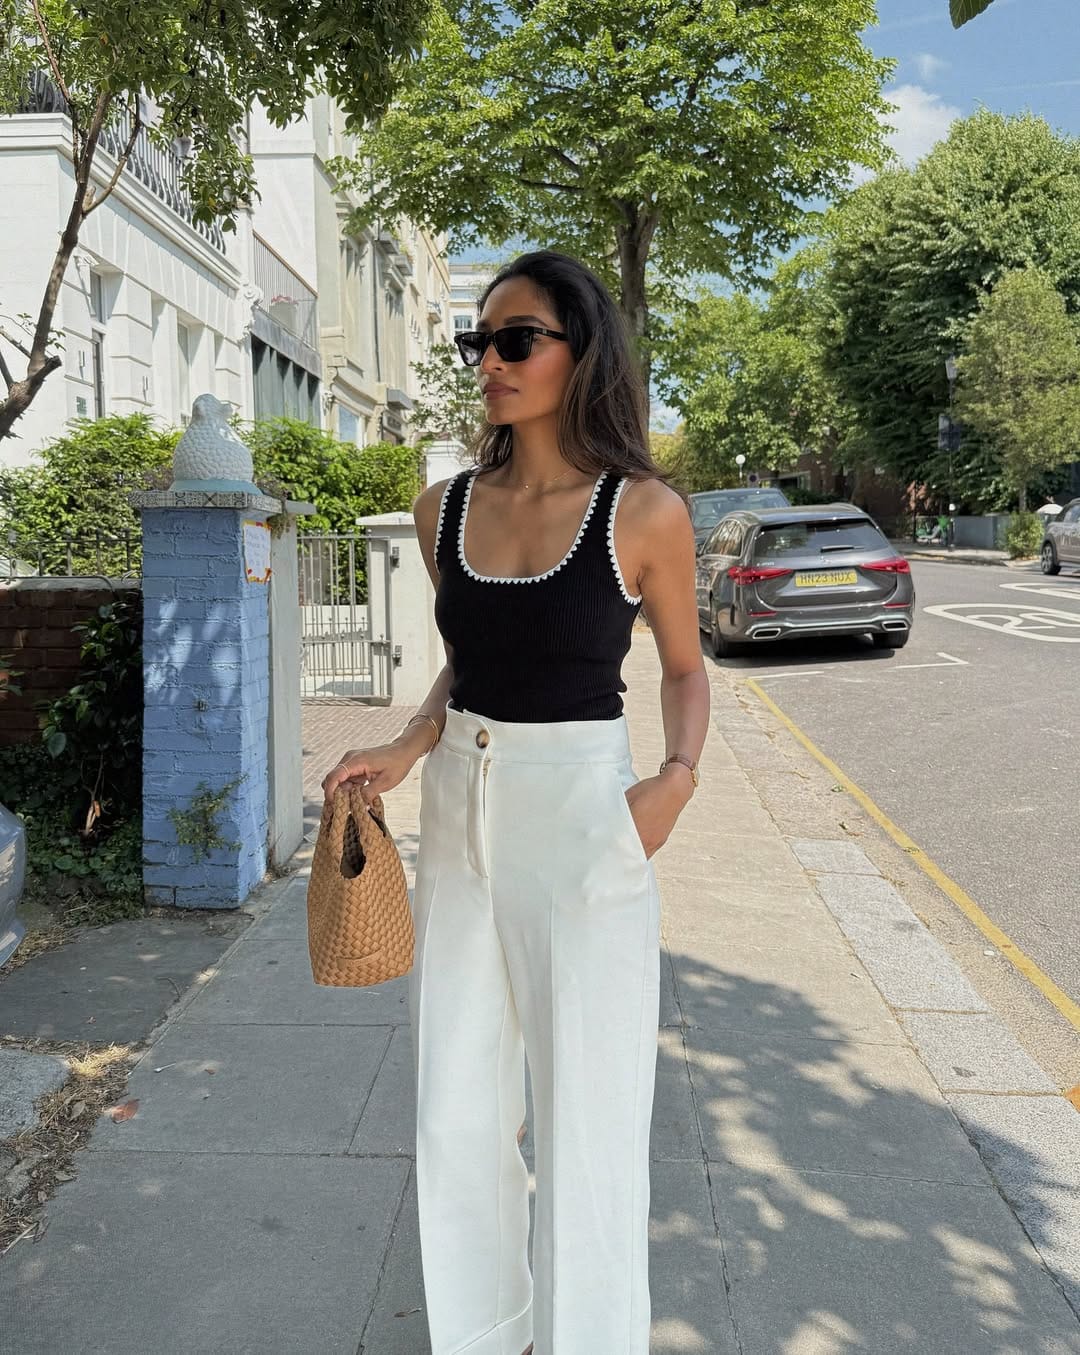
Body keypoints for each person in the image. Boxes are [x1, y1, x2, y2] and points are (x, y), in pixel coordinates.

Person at [321, 250, 710, 1355]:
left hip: (586, 813)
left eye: (515, 338)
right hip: (457, 809)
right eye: (477, 341)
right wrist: (408, 741)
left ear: (578, 351)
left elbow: (686, 667)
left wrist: (672, 785)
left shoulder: (643, 513)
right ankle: (487, 1335)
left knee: (587, 1116)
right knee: (457, 1106)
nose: (488, 360)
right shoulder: (441, 507)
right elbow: (471, 666)